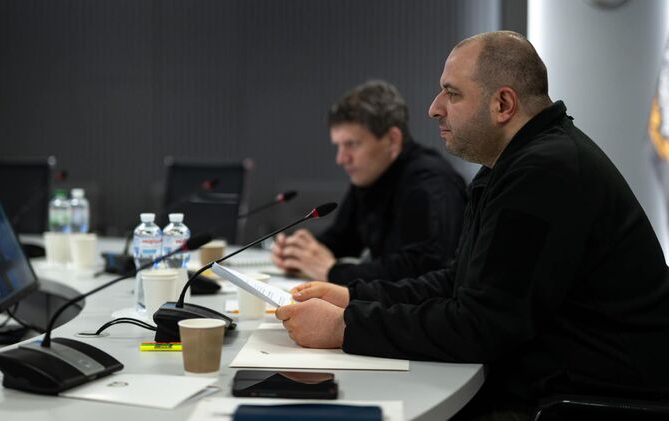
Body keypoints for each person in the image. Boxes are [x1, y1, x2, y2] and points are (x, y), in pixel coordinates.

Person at [275, 31, 669, 417]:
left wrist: (344, 327)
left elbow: (481, 326)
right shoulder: (510, 163)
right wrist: (352, 297)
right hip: (555, 384)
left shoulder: (546, 171)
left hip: (585, 399)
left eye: (452, 93)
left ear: (503, 104)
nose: (434, 108)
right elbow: (458, 281)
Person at [271, 80, 467, 284]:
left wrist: (335, 272)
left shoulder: (431, 182)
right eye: (338, 146)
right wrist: (299, 253)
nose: (341, 159)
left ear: (392, 140)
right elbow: (342, 239)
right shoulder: (371, 174)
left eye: (352, 144)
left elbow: (424, 269)